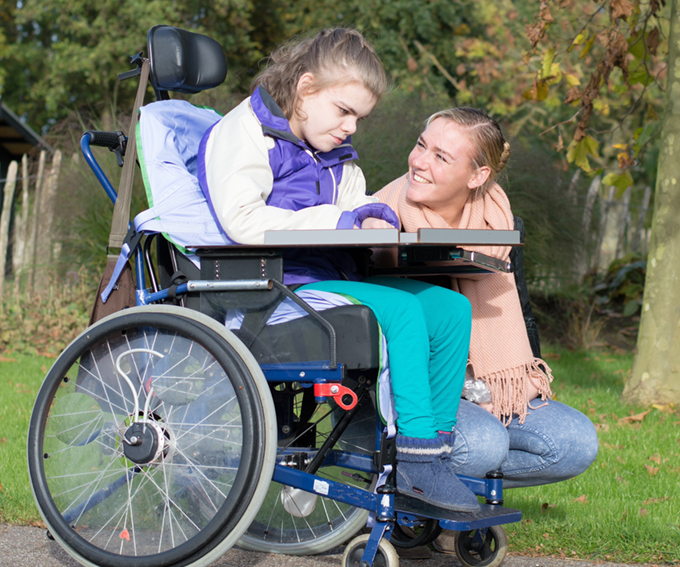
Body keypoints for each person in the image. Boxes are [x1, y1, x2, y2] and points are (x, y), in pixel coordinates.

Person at [198, 29, 479, 512]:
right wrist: (339, 219)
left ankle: (436, 448)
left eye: (359, 118)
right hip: (274, 291)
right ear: (306, 89)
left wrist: (374, 215)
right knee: (404, 311)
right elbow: (241, 221)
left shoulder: (330, 149)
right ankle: (414, 459)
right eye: (344, 111)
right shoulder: (243, 132)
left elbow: (354, 203)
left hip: (333, 279)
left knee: (451, 309)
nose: (351, 127)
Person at [375, 108, 599, 515]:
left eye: (442, 157)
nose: (420, 162)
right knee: (484, 443)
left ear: (477, 177)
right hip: (413, 395)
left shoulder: (497, 223)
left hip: (485, 386)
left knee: (575, 442)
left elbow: (517, 313)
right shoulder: (378, 219)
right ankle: (416, 492)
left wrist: (492, 392)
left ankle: (438, 499)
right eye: (421, 145)